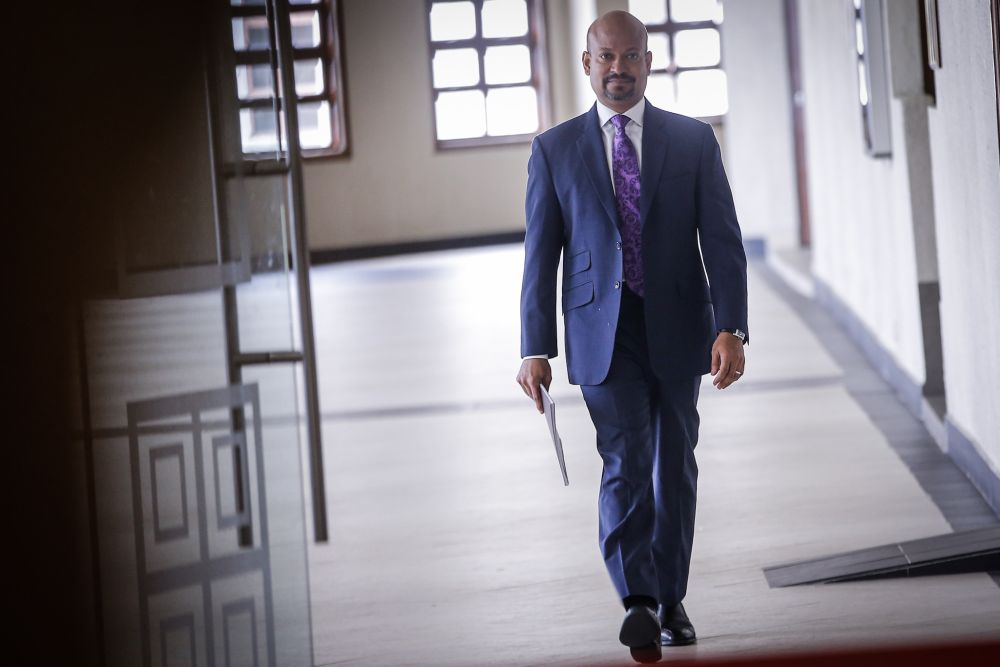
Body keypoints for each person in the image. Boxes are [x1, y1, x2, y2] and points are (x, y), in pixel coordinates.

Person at [516, 10, 749, 664]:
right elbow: (541, 255)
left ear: (649, 62)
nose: (618, 70)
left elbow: (724, 245)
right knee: (624, 458)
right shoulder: (555, 150)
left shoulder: (692, 141)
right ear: (588, 64)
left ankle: (671, 597)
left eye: (631, 58)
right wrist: (534, 347)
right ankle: (638, 600)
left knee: (673, 462)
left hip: (680, 327)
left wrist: (730, 325)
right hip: (601, 334)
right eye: (606, 58)